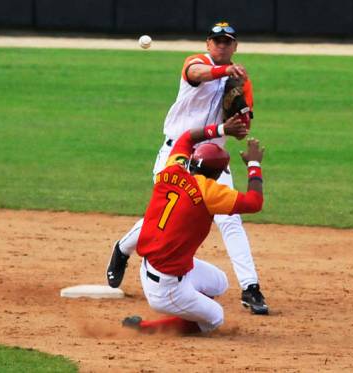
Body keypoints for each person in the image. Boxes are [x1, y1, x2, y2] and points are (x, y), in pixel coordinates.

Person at [107, 21, 269, 315]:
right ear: (208, 44)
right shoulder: (196, 63)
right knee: (167, 212)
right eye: (217, 41)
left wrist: (239, 123)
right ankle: (123, 249)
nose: (221, 45)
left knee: (230, 220)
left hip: (212, 158)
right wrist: (224, 72)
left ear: (235, 46)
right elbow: (198, 74)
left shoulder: (241, 80)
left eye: (227, 41)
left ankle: (251, 287)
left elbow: (244, 125)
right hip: (177, 151)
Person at [122, 115, 265, 334]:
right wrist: (254, 164)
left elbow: (187, 137)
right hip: (166, 285)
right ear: (218, 173)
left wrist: (221, 129)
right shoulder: (211, 193)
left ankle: (188, 306)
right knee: (215, 319)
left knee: (220, 282)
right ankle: (144, 328)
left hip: (157, 266)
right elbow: (255, 202)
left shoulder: (172, 169)